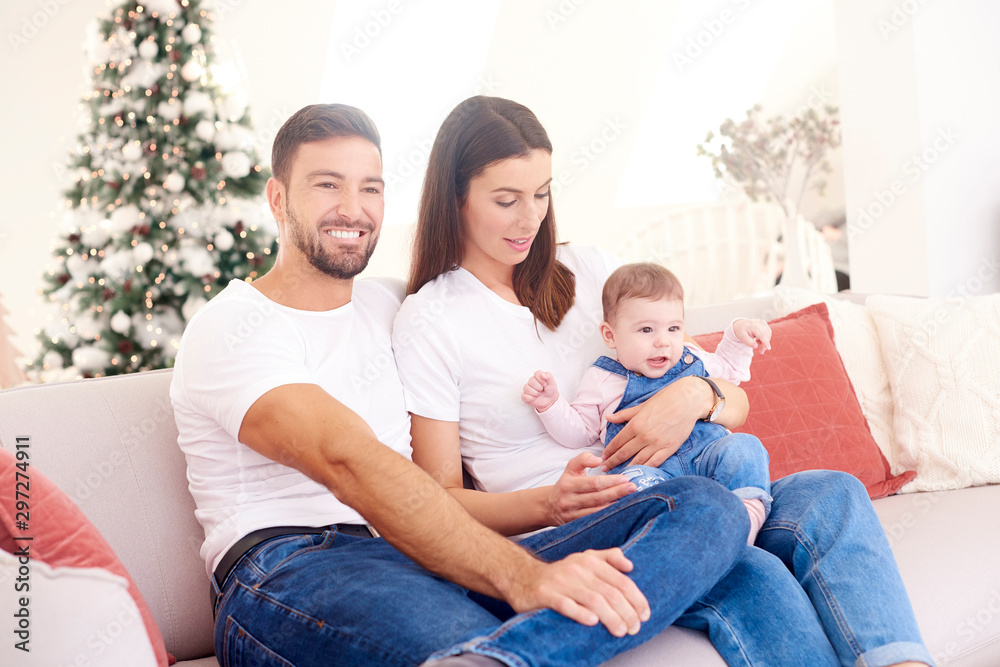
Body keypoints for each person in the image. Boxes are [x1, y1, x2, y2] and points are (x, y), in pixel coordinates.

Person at [169, 102, 753, 667]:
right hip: (289, 566)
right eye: (327, 185)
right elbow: (347, 461)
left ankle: (511, 655)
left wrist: (554, 501)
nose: (353, 208)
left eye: (370, 188)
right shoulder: (234, 326)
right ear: (277, 198)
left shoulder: (390, 304)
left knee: (704, 505)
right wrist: (527, 576)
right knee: (469, 638)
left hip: (419, 550)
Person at [393, 95, 934, 667]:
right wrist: (550, 503)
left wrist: (694, 396)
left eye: (542, 194)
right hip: (578, 520)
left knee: (834, 493)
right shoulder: (432, 319)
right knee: (742, 563)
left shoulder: (594, 270)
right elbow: (437, 506)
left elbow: (735, 401)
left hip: (684, 483)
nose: (531, 219)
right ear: (456, 198)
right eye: (506, 200)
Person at [521, 262, 773, 544]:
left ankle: (747, 516)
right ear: (610, 335)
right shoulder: (602, 379)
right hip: (654, 473)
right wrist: (550, 404)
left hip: (709, 458)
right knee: (629, 484)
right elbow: (581, 431)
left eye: (674, 328)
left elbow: (728, 372)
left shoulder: (690, 357)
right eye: (646, 330)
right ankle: (674, 537)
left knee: (745, 448)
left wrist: (738, 334)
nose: (662, 342)